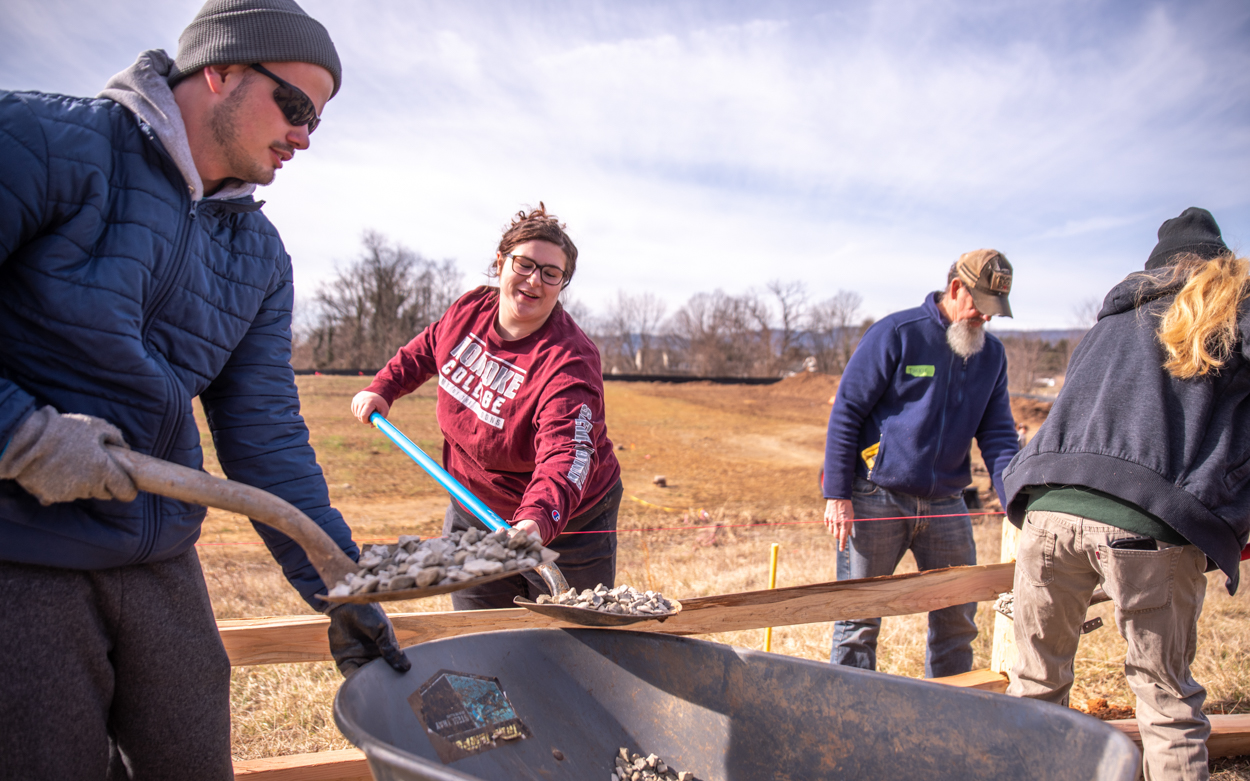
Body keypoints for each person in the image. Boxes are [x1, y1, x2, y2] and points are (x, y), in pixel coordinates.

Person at [0, 2, 410, 778]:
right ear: (217, 70)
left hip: (157, 556)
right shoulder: (41, 144)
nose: (304, 136)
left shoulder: (258, 255)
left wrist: (343, 586)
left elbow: (265, 438)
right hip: (21, 550)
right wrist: (21, 434)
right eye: (293, 107)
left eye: (318, 121)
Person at [1004, 207, 1250, 781]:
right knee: (1166, 704)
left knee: (1032, 689)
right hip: (1149, 521)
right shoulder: (1231, 310)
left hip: (1048, 510)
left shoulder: (1111, 322)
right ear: (1219, 266)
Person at [352, 204, 623, 609]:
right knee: (479, 633)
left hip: (564, 522)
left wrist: (536, 521)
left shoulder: (568, 360)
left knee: (566, 645)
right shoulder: (469, 310)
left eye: (551, 273)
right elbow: (428, 347)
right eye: (525, 264)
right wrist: (384, 387)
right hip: (474, 505)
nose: (535, 280)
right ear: (501, 263)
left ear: (562, 284)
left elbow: (568, 452)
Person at [822, 249, 1020, 677]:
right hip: (876, 497)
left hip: (947, 502)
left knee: (957, 617)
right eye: (981, 306)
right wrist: (837, 494)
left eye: (994, 312)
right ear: (955, 289)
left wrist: (1018, 503)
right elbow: (848, 411)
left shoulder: (991, 356)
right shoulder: (897, 333)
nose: (985, 319)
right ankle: (848, 716)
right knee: (858, 618)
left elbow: (999, 435)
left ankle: (948, 714)